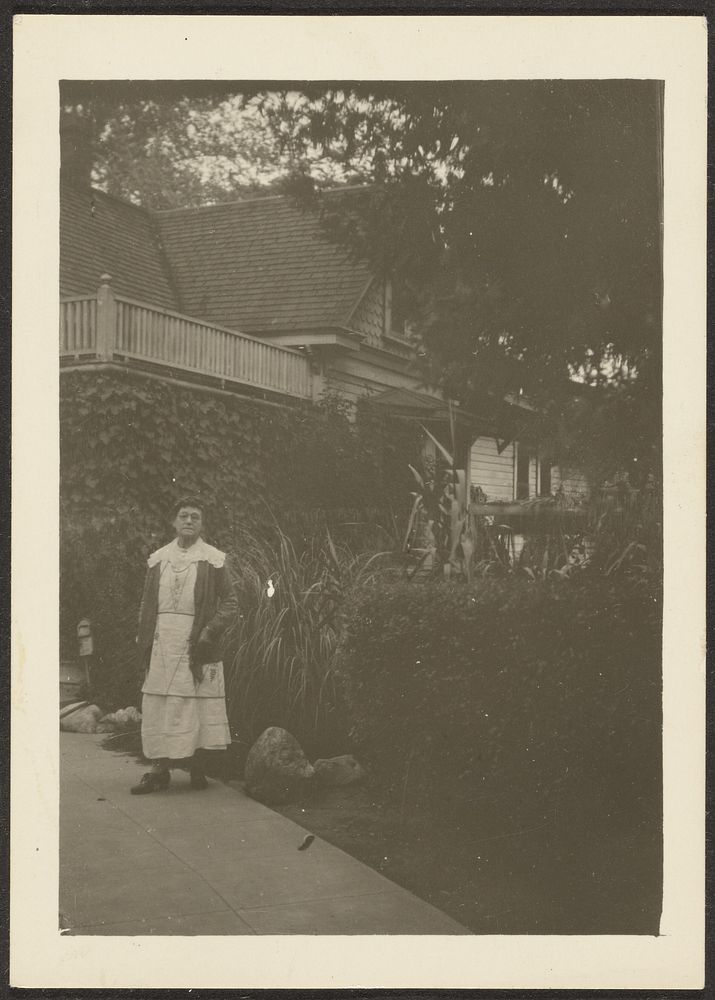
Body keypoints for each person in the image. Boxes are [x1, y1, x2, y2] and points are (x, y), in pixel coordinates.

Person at [130, 498, 237, 794]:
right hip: (161, 640)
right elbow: (146, 602)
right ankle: (159, 771)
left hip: (196, 642)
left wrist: (209, 630)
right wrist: (143, 633)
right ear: (174, 522)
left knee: (193, 703)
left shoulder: (213, 559)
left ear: (203, 524)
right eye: (183, 516)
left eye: (195, 517)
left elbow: (230, 602)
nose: (189, 521)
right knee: (161, 702)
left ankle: (196, 767)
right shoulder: (158, 559)